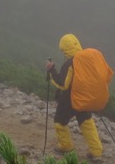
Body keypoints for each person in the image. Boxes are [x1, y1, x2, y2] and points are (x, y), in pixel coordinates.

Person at [45, 33, 105, 162]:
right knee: (86, 122)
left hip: (70, 99)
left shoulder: (70, 63)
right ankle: (96, 151)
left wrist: (52, 70)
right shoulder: (86, 58)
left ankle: (66, 147)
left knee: (59, 121)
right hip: (84, 97)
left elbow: (63, 85)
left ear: (65, 48)